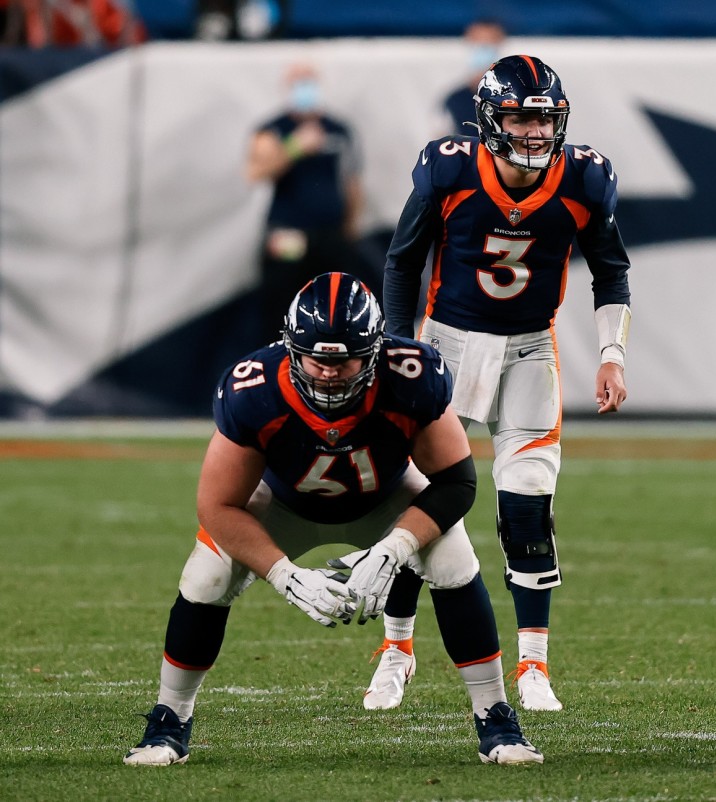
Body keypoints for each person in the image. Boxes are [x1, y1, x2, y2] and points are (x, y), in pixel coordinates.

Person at [123, 272, 542, 767]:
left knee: (453, 557)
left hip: (384, 497)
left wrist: (396, 547)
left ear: (373, 351)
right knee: (206, 575)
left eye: (342, 360)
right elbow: (217, 506)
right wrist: (284, 574)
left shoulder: (412, 378)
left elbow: (457, 482)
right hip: (283, 504)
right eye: (317, 358)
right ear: (291, 346)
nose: (328, 372)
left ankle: (495, 717)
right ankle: (169, 721)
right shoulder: (253, 390)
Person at [369, 54, 632, 713]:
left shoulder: (585, 180)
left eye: (544, 119)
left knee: (527, 508)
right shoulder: (450, 168)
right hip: (446, 347)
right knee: (419, 500)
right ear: (490, 117)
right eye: (520, 117)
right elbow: (402, 264)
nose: (536, 132)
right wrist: (400, 348)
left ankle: (533, 665)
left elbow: (612, 272)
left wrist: (611, 355)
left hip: (528, 352)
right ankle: (395, 651)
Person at [244, 62, 365, 345]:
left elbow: (352, 182)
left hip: (330, 234)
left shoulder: (338, 129)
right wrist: (295, 147)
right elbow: (255, 172)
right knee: (281, 307)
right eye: (298, 83)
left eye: (308, 82)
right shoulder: (274, 129)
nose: (304, 89)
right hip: (288, 234)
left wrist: (350, 229)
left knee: (335, 307)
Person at [440, 18, 506, 136]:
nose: (483, 47)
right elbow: (440, 140)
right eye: (477, 42)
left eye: (489, 42)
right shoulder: (454, 100)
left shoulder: (515, 98)